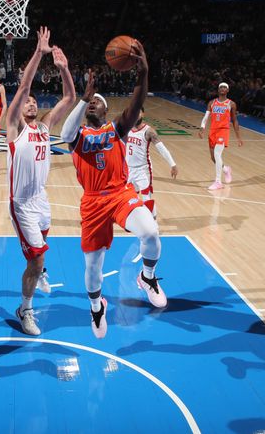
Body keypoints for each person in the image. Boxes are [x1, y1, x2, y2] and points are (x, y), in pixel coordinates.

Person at [61, 42, 165, 340]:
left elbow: (137, 101)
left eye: (97, 100)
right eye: (89, 101)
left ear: (107, 110)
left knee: (150, 231)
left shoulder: (117, 129)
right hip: (92, 202)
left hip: (120, 193)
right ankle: (96, 306)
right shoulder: (78, 136)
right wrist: (82, 98)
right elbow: (65, 134)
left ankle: (146, 278)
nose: (92, 102)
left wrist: (143, 74)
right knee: (93, 266)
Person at [4, 26, 76, 336]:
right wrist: (39, 52)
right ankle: (25, 309)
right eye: (27, 102)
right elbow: (23, 86)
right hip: (21, 205)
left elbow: (70, 97)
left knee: (38, 258)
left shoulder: (45, 127)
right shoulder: (13, 127)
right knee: (34, 262)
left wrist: (64, 70)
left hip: (41, 200)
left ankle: (40, 269)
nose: (31, 103)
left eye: (34, 101)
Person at [125, 107, 178, 219]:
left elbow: (161, 148)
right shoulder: (126, 128)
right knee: (129, 197)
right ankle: (136, 221)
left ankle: (153, 221)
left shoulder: (149, 131)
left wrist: (172, 164)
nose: (135, 115)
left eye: (138, 112)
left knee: (146, 198)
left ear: (143, 114)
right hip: (128, 169)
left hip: (143, 169)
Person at [198, 82, 243, 190]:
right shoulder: (212, 102)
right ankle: (226, 170)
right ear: (218, 90)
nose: (222, 88)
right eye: (221, 87)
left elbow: (235, 120)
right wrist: (202, 128)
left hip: (223, 131)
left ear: (227, 90)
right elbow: (206, 117)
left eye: (225, 87)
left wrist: (238, 136)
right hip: (213, 131)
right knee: (214, 158)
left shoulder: (231, 104)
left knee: (217, 154)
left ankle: (218, 181)